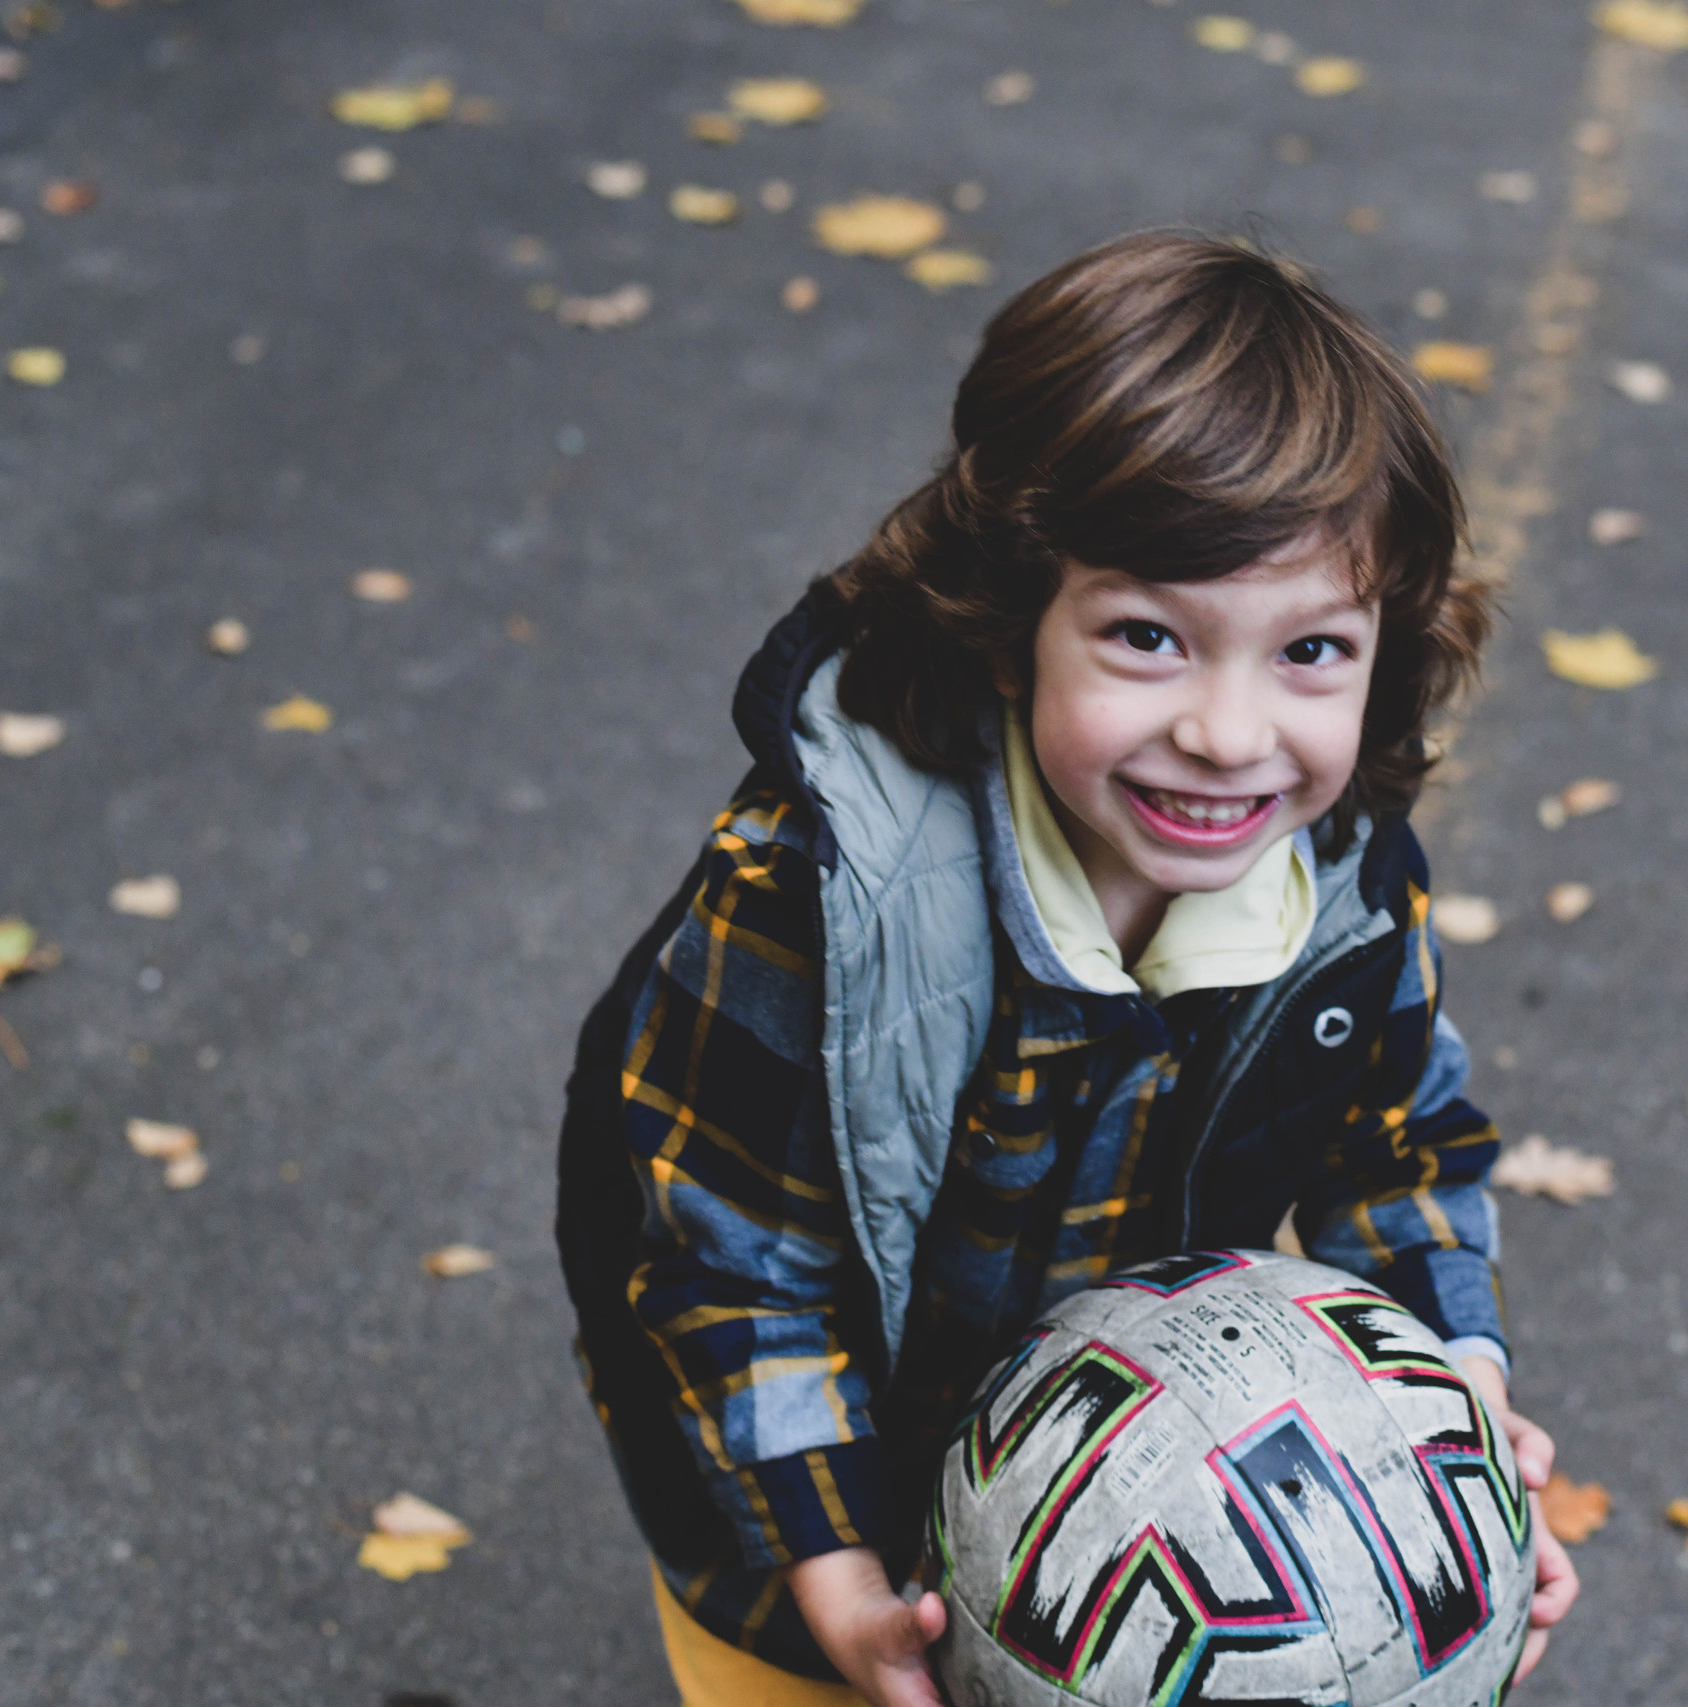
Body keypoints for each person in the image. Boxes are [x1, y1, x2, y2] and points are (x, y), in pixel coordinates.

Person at [555, 231, 1579, 1707]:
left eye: (1310, 654)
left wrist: (1455, 1436)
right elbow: (730, 1265)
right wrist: (838, 1585)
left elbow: (1402, 1156)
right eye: (1149, 637)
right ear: (1009, 614)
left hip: (1133, 1498)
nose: (1230, 734)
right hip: (807, 1493)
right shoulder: (824, 892)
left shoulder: (1342, 892)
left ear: (1388, 646)